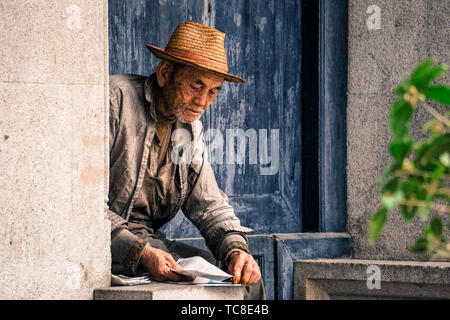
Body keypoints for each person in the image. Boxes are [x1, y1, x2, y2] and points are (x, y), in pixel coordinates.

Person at [107, 21, 265, 299]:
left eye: (213, 91)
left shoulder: (188, 130)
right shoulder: (115, 101)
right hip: (103, 246)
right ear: (165, 72)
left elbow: (209, 206)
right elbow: (81, 207)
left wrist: (236, 249)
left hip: (150, 246)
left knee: (246, 285)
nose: (203, 101)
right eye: (196, 85)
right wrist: (139, 252)